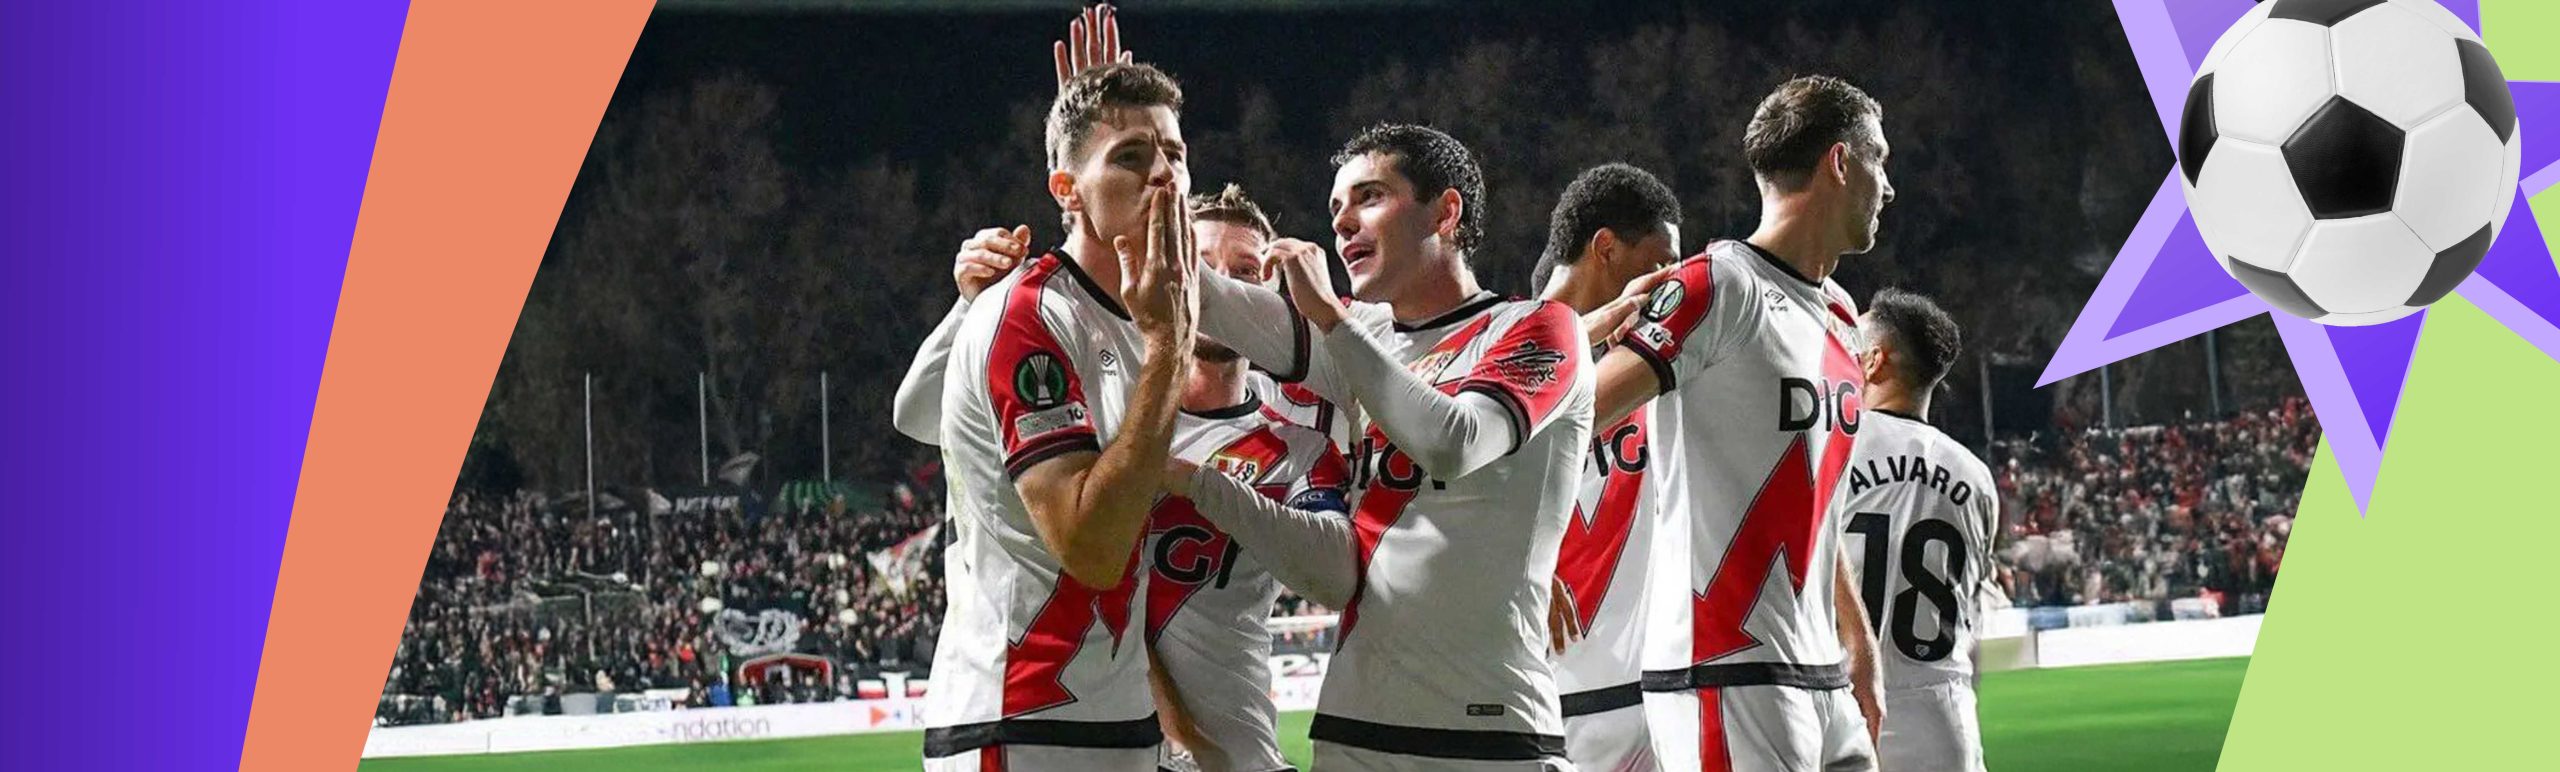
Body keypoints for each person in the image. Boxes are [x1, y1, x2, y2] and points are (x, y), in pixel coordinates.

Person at [1173, 123, 1595, 770]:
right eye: (1335, 207)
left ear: (1445, 213)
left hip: (1489, 730)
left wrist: (1332, 318)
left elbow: (1453, 444)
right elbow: (1204, 295)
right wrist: (1126, 182)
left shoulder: (1537, 327)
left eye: (1369, 196)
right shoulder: (1362, 334)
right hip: (1353, 728)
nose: (1342, 222)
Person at [1588, 75, 1894, 772]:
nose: (1888, 186)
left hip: (1822, 672)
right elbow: (1572, 415)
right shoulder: (1718, 285)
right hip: (1724, 671)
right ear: (1840, 162)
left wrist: (1859, 640)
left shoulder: (1841, 313)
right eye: (1879, 160)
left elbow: (1814, 499)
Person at [917, 38, 1197, 769]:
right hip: (1022, 722)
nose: (1164, 174)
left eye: (1174, 153)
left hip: (1118, 719)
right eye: (1131, 157)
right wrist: (1171, 350)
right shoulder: (1029, 316)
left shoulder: (1151, 313)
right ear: (1066, 191)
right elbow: (1093, 550)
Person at [1531, 163, 1685, 772]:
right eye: (1659, 263)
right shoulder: (1489, 363)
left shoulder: (1658, 369)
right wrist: (1511, 553)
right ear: (1606, 248)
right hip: (1536, 697)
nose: (1669, 281)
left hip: (1653, 694)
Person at [1833, 289, 1997, 772]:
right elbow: (1971, 609)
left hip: (1848, 703)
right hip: (1944, 717)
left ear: (1874, 360)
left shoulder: (1832, 447)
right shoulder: (1976, 475)